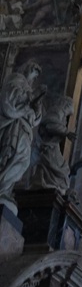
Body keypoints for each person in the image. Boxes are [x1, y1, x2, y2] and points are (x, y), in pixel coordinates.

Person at [0, 61, 44, 205]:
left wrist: (37, 107)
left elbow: (36, 118)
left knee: (22, 161)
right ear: (26, 69)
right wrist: (29, 98)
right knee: (10, 156)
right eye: (33, 72)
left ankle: (5, 189)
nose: (33, 78)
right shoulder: (15, 79)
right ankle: (2, 189)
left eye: (36, 76)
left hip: (24, 129)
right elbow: (9, 99)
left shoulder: (28, 88)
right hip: (14, 126)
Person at [33, 95, 74, 195]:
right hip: (47, 146)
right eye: (69, 108)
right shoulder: (57, 111)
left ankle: (56, 186)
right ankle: (49, 184)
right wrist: (66, 132)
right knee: (60, 170)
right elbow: (50, 125)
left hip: (51, 146)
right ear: (66, 105)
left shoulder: (60, 113)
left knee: (63, 170)